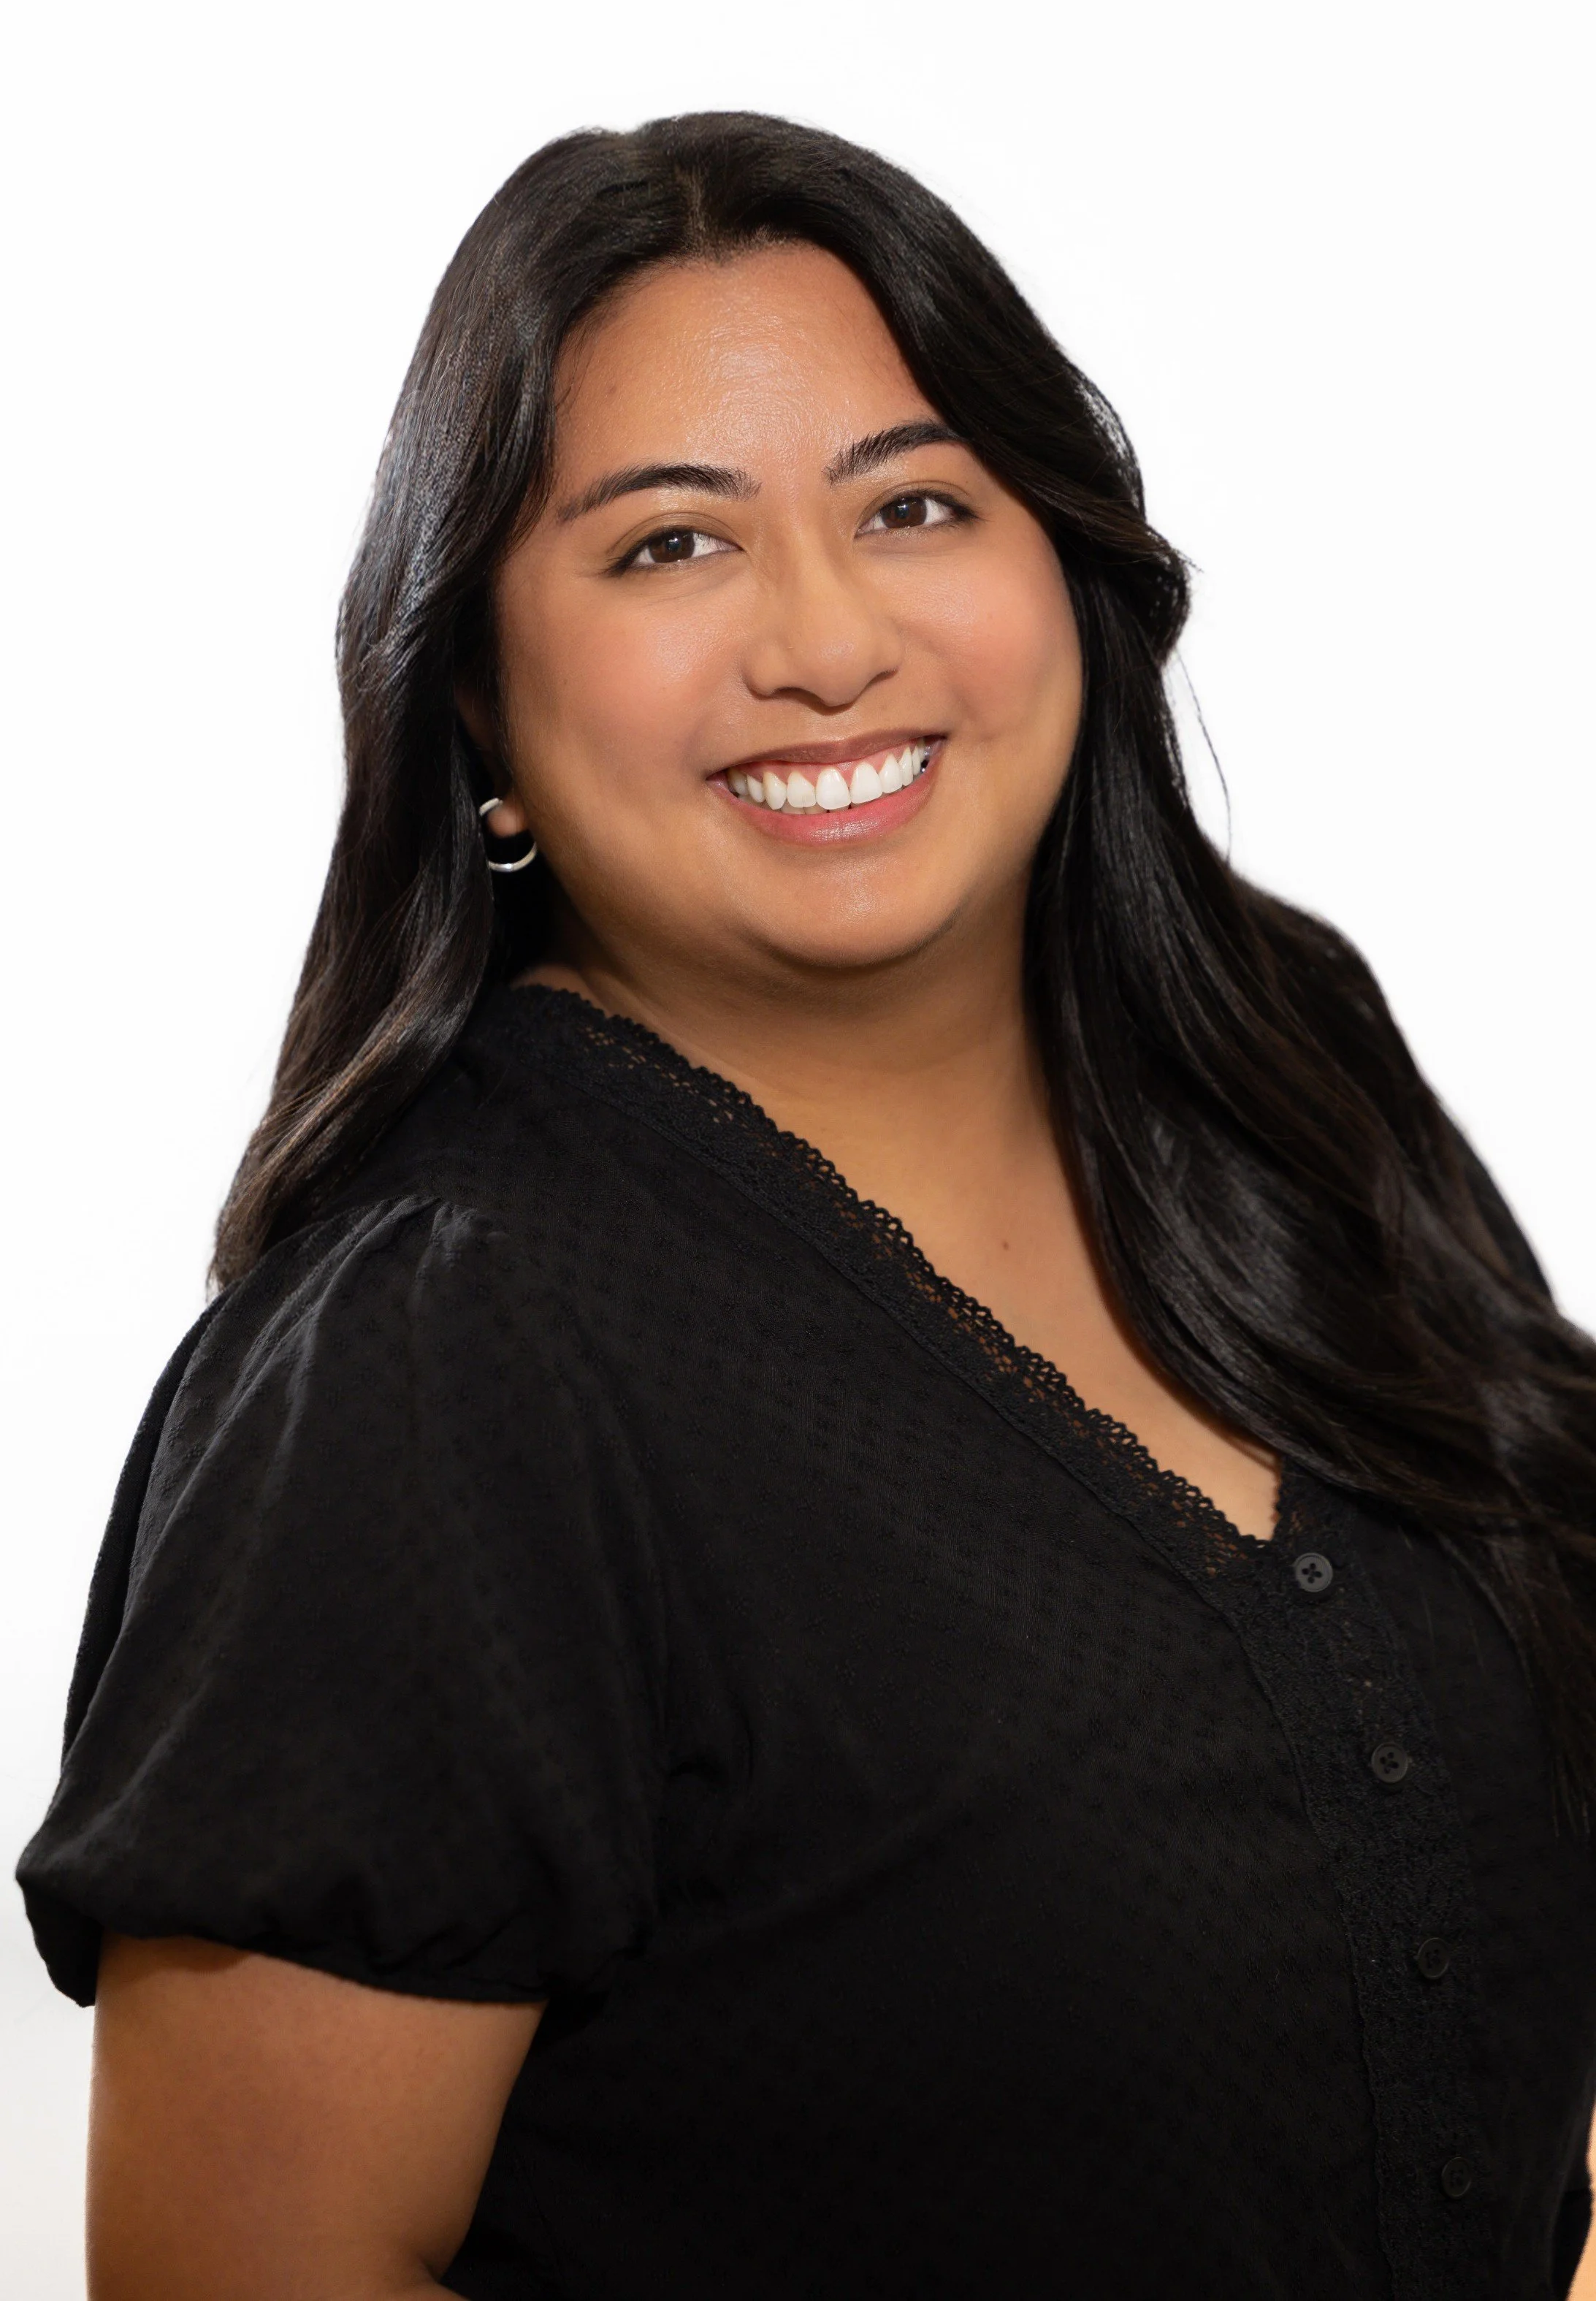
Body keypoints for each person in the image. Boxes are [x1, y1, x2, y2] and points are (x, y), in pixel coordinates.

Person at [18, 111, 1596, 2301]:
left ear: (1071, 571)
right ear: (477, 695)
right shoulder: (437, 1365)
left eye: (918, 504)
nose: (826, 642)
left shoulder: (1283, 1068)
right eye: (670, 549)